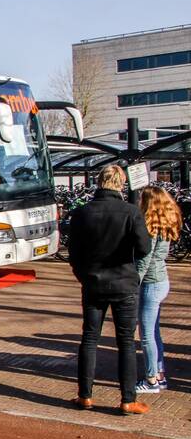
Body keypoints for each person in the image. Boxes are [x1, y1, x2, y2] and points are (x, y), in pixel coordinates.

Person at [68, 165, 153, 415]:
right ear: (121, 183)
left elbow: (73, 252)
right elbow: (145, 248)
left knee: (89, 338)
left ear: (99, 182)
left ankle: (85, 395)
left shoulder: (82, 212)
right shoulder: (130, 212)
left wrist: (83, 275)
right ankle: (128, 399)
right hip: (124, 281)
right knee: (126, 342)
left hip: (93, 282)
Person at [134, 185, 182, 394]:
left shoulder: (150, 228)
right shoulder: (165, 224)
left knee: (146, 335)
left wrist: (133, 281)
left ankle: (151, 379)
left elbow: (145, 260)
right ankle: (159, 373)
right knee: (154, 332)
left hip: (150, 283)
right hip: (162, 280)